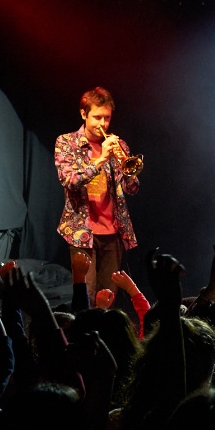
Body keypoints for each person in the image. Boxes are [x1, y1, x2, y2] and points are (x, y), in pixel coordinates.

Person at [56, 86, 142, 313]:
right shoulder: (67, 143)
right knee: (86, 295)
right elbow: (70, 180)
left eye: (107, 118)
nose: (102, 124)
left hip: (113, 233)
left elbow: (131, 189)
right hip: (82, 232)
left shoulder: (119, 145)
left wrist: (130, 172)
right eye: (97, 117)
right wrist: (101, 159)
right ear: (84, 114)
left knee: (108, 298)